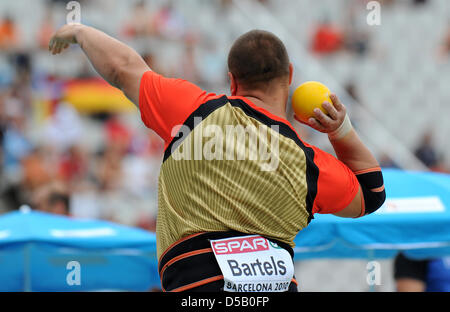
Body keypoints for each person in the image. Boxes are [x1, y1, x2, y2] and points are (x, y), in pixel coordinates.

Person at [48, 24, 386, 292]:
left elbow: (123, 68)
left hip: (196, 283)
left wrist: (81, 32)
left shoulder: (195, 111)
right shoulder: (307, 162)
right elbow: (371, 193)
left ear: (233, 80)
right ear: (291, 76)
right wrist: (340, 130)